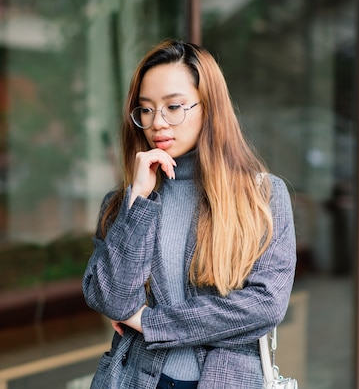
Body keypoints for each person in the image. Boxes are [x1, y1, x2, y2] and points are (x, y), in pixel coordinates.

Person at [82, 39, 296, 389]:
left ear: (208, 107)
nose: (158, 123)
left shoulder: (261, 196)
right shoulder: (125, 202)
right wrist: (140, 200)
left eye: (174, 106)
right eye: (146, 109)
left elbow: (264, 306)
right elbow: (113, 299)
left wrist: (152, 323)